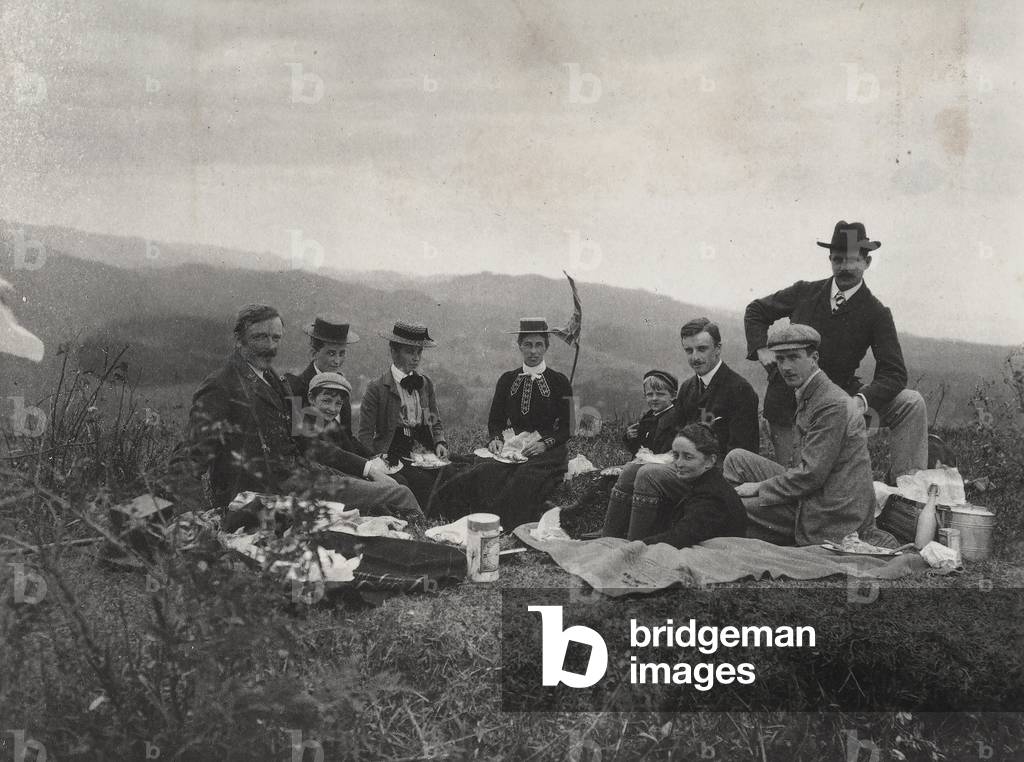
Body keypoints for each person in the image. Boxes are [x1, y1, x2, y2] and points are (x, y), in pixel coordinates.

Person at [166, 305, 421, 521]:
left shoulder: (271, 378)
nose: (270, 347)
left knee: (390, 493)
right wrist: (193, 518)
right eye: (260, 338)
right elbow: (188, 458)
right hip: (263, 494)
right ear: (239, 339)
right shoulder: (222, 385)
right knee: (399, 496)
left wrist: (369, 470)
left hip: (300, 477)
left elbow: (308, 441)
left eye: (276, 338)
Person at [744, 220, 927, 479]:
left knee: (911, 402)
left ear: (867, 262)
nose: (844, 267)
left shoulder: (876, 313)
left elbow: (894, 373)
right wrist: (761, 349)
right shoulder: (805, 292)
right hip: (789, 402)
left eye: (852, 260)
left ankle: (907, 488)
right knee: (798, 480)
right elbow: (756, 311)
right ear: (830, 260)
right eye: (838, 260)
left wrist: (860, 401)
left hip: (841, 401)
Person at [722, 324, 896, 547]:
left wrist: (760, 487)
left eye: (794, 357)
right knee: (736, 459)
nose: (786, 367)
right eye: (780, 359)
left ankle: (727, 522)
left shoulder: (831, 404)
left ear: (814, 358)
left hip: (830, 513)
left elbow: (811, 475)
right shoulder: (812, 391)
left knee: (732, 508)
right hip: (818, 492)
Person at [599, 317, 759, 537]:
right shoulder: (688, 388)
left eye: (702, 349)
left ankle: (636, 546)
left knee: (648, 474)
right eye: (689, 350)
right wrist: (657, 457)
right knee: (630, 470)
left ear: (718, 349)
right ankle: (608, 539)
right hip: (687, 466)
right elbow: (675, 435)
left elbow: (741, 454)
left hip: (716, 477)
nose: (695, 357)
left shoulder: (739, 389)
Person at [433, 318, 572, 528]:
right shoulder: (507, 379)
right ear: (519, 345)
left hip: (546, 451)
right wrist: (496, 439)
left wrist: (545, 444)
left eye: (539, 345)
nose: (533, 351)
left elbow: (569, 427)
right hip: (511, 446)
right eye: (528, 344)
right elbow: (495, 421)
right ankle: (469, 518)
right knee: (483, 472)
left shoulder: (560, 381)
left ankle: (507, 525)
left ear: (546, 347)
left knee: (522, 479)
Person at [604, 423, 747, 547]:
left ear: (710, 461)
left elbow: (681, 536)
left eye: (688, 457)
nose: (678, 463)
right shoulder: (702, 482)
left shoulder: (711, 496)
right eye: (676, 456)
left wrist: (640, 545)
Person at [560, 369, 678, 517]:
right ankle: (578, 509)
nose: (654, 398)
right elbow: (638, 449)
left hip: (656, 470)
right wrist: (630, 438)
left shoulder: (673, 420)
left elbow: (665, 454)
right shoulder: (651, 416)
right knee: (606, 479)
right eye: (649, 394)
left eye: (660, 394)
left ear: (673, 395)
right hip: (642, 465)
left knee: (615, 481)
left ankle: (598, 515)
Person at [357, 321, 449, 507]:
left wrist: (439, 441)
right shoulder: (377, 388)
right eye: (409, 352)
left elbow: (433, 419)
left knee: (451, 472)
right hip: (393, 451)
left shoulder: (424, 384)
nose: (416, 358)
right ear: (394, 352)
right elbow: (365, 434)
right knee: (423, 483)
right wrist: (374, 462)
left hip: (423, 448)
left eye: (419, 352)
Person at [283, 316, 361, 442]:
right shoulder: (295, 388)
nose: (337, 361)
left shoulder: (342, 389)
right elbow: (302, 443)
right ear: (313, 354)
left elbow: (347, 438)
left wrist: (374, 454)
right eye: (331, 353)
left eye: (342, 354)